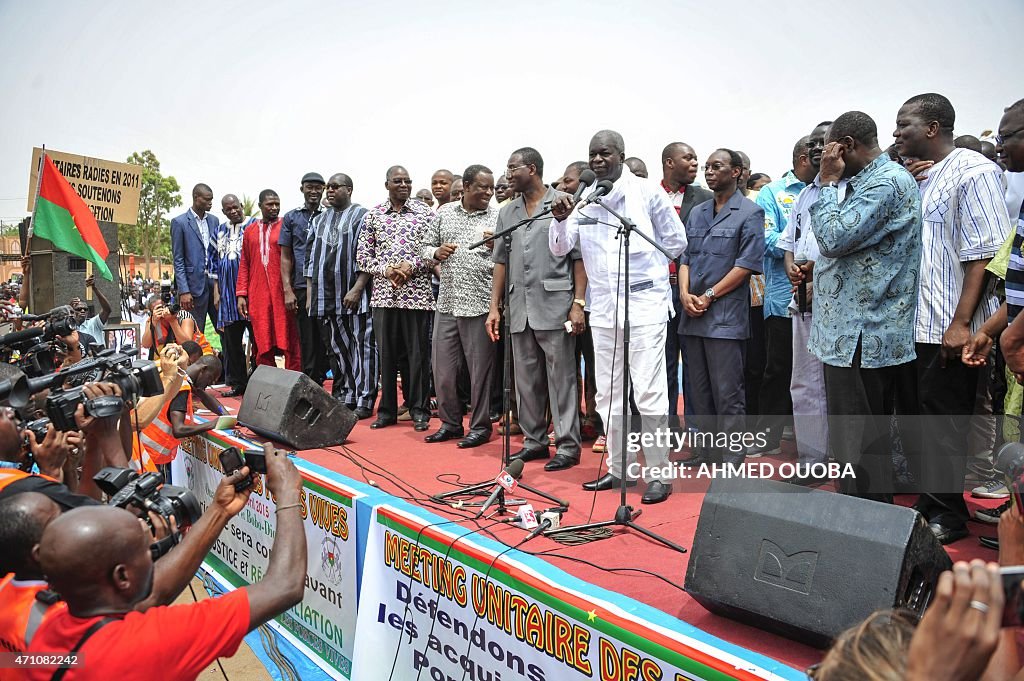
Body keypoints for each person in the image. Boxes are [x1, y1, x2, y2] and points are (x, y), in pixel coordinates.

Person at [26, 444, 307, 681]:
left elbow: (154, 594)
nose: (154, 555)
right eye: (147, 551)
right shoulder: (150, 644)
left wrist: (220, 511)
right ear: (122, 578)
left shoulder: (44, 627)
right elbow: (285, 586)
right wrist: (288, 495)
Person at [894, 93, 1011, 543]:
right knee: (921, 420)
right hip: (915, 324)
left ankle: (948, 513)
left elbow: (984, 254)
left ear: (932, 127)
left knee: (945, 423)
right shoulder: (922, 176)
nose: (897, 133)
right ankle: (931, 499)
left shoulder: (974, 171)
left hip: (949, 322)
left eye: (904, 124)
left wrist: (962, 324)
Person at [550, 130, 687, 505]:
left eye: (604, 153)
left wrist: (646, 271)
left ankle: (659, 473)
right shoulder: (585, 199)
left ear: (621, 156)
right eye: (591, 154)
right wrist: (561, 220)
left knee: (649, 392)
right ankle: (619, 467)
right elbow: (561, 248)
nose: (596, 160)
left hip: (644, 306)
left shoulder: (647, 192)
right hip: (604, 309)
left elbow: (676, 242)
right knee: (608, 395)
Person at [810, 111, 922, 500]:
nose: (825, 155)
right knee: (853, 445)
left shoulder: (886, 181)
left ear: (846, 146)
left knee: (860, 449)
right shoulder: (869, 181)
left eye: (830, 148)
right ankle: (860, 522)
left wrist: (827, 181)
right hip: (846, 333)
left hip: (863, 333)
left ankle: (868, 530)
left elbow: (833, 238)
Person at [489, 148, 584, 470]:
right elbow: (500, 261)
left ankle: (568, 446)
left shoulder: (563, 203)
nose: (507, 173)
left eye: (512, 167)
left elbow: (579, 258)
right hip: (519, 307)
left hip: (556, 305)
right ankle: (535, 441)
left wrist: (578, 304)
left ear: (532, 169)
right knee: (526, 380)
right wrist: (494, 308)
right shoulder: (508, 211)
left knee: (562, 379)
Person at [678, 149, 764, 466]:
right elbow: (685, 257)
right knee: (697, 391)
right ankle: (704, 451)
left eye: (717, 166)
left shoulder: (750, 212)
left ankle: (732, 455)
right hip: (693, 314)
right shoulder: (698, 211)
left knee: (728, 392)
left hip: (725, 316)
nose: (709, 172)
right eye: (707, 167)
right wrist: (686, 294)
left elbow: (746, 264)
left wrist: (710, 295)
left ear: (737, 172)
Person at [419, 165, 498, 448]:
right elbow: (424, 247)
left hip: (480, 305)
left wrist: (496, 247)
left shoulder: (498, 216)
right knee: (443, 370)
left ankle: (480, 427)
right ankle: (450, 423)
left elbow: (507, 258)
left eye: (491, 188)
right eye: (482, 187)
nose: (489, 193)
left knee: (479, 373)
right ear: (465, 187)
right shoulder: (445, 213)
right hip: (448, 302)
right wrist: (435, 253)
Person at [751, 137, 816, 456]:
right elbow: (765, 239)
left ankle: (815, 441)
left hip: (822, 301)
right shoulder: (772, 192)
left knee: (817, 376)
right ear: (804, 158)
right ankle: (769, 436)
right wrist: (804, 253)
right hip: (781, 297)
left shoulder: (832, 189)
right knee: (777, 370)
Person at [356, 166, 435, 430]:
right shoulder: (373, 216)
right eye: (398, 181)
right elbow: (363, 257)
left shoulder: (425, 214)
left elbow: (431, 252)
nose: (404, 185)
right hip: (384, 296)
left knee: (418, 356)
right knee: (386, 356)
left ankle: (419, 410)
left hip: (418, 296)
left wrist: (410, 267)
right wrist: (387, 270)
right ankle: (387, 411)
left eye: (408, 181)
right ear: (387, 184)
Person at [779, 121, 836, 471]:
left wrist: (818, 269)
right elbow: (790, 243)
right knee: (803, 382)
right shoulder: (805, 193)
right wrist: (791, 266)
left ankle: (840, 458)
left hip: (838, 301)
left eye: (823, 142)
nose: (817, 148)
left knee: (839, 389)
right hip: (803, 299)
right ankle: (813, 458)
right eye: (812, 143)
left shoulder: (855, 187)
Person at [305, 174, 376, 419]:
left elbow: (369, 255)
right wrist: (311, 294)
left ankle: (365, 397)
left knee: (362, 345)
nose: (330, 191)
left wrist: (357, 288)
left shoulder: (363, 216)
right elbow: (311, 258)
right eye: (329, 187)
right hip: (326, 296)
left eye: (335, 187)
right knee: (337, 348)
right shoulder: (319, 220)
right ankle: (348, 394)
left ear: (350, 189)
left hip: (355, 294)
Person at [661, 142, 713, 423]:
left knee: (695, 366)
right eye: (689, 158)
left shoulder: (705, 198)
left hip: (692, 292)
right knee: (663, 365)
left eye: (696, 158)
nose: (695, 163)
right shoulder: (650, 196)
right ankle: (668, 427)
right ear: (670, 162)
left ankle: (697, 430)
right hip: (657, 292)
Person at [237, 190, 301, 372]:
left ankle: (293, 381)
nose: (274, 208)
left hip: (283, 292)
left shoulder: (286, 226)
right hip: (258, 294)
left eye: (277, 204)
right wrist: (241, 294)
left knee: (289, 337)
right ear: (260, 206)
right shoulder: (249, 231)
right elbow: (244, 264)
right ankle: (268, 383)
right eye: (269, 204)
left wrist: (292, 290)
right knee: (263, 339)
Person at [279, 172, 328, 384]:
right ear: (302, 189)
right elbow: (285, 256)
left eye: (318, 187)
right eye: (310, 187)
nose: (314, 191)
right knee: (307, 338)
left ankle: (331, 385)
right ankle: (310, 383)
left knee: (327, 337)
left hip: (327, 287)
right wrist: (287, 290)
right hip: (300, 286)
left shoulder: (330, 215)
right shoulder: (291, 217)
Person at [211, 194, 254, 397]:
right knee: (231, 341)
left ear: (241, 206)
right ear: (224, 211)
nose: (233, 211)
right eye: (229, 209)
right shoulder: (219, 230)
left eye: (236, 207)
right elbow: (213, 262)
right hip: (227, 296)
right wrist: (216, 291)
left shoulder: (253, 225)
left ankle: (258, 381)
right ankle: (238, 383)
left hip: (251, 294)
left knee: (257, 339)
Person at [170, 184, 217, 332]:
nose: (211, 203)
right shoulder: (180, 222)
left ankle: (226, 356)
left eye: (212, 200)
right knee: (194, 332)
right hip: (193, 288)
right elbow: (178, 259)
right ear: (196, 198)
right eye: (207, 199)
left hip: (215, 287)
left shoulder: (214, 221)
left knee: (225, 331)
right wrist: (184, 291)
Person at [140, 295, 212, 360]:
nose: (161, 311)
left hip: (199, 354)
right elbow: (146, 344)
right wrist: (153, 323)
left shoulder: (183, 316)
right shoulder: (152, 320)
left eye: (163, 307)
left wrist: (172, 321)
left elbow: (187, 344)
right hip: (176, 355)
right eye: (157, 309)